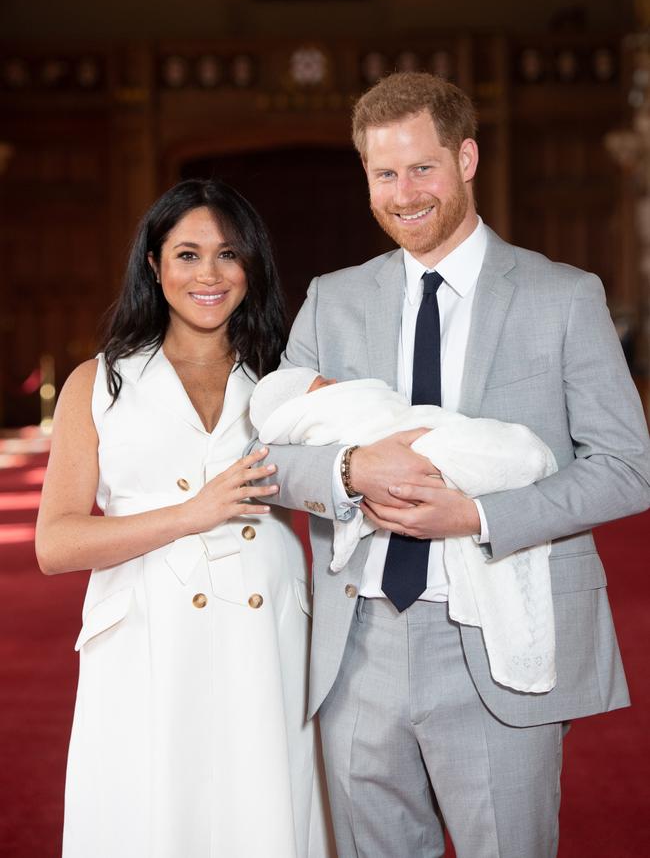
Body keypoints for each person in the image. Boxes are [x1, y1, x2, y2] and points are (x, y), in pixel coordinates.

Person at [253, 73, 650, 857]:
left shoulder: (562, 296)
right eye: (384, 173)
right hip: (358, 642)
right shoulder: (332, 299)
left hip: (497, 637)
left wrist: (477, 514)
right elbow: (270, 454)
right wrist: (350, 469)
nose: (405, 193)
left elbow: (629, 466)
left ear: (466, 158)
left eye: (423, 167)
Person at [35, 179, 332, 858]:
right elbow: (55, 543)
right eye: (188, 254)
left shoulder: (285, 377)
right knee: (151, 812)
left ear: (251, 265)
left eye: (228, 255)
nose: (209, 275)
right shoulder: (100, 381)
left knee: (264, 806)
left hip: (266, 633)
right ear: (153, 263)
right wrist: (191, 513)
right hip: (145, 630)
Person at [250, 366, 558, 694]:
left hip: (470, 616)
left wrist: (477, 516)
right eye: (325, 385)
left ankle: (519, 456)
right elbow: (260, 462)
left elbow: (616, 464)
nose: (337, 384)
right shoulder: (319, 325)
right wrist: (352, 469)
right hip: (360, 629)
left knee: (485, 448)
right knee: (477, 453)